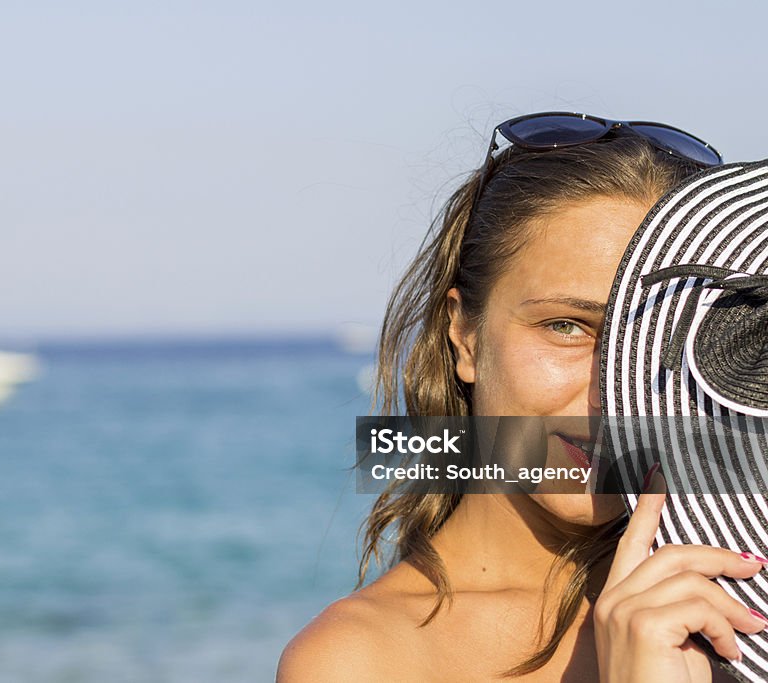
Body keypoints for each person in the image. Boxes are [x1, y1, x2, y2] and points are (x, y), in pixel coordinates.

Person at [277, 114, 768, 682]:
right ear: (463, 334)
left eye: (654, 339)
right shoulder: (362, 660)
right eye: (566, 326)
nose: (612, 392)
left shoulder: (742, 612)